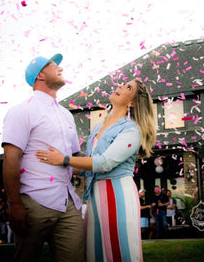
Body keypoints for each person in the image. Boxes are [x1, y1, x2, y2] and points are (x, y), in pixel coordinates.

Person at [36, 79, 156, 262]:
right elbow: (89, 166)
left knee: (118, 252)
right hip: (94, 196)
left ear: (132, 102)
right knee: (95, 253)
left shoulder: (132, 130)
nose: (121, 86)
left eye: (128, 87)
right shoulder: (99, 126)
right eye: (124, 83)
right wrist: (54, 165)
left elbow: (104, 163)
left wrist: (64, 160)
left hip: (118, 196)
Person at [2, 53, 84, 262]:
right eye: (54, 65)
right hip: (35, 203)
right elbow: (11, 159)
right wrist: (16, 205)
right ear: (40, 75)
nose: (61, 69)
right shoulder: (22, 111)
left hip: (69, 204)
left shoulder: (67, 115)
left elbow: (75, 159)